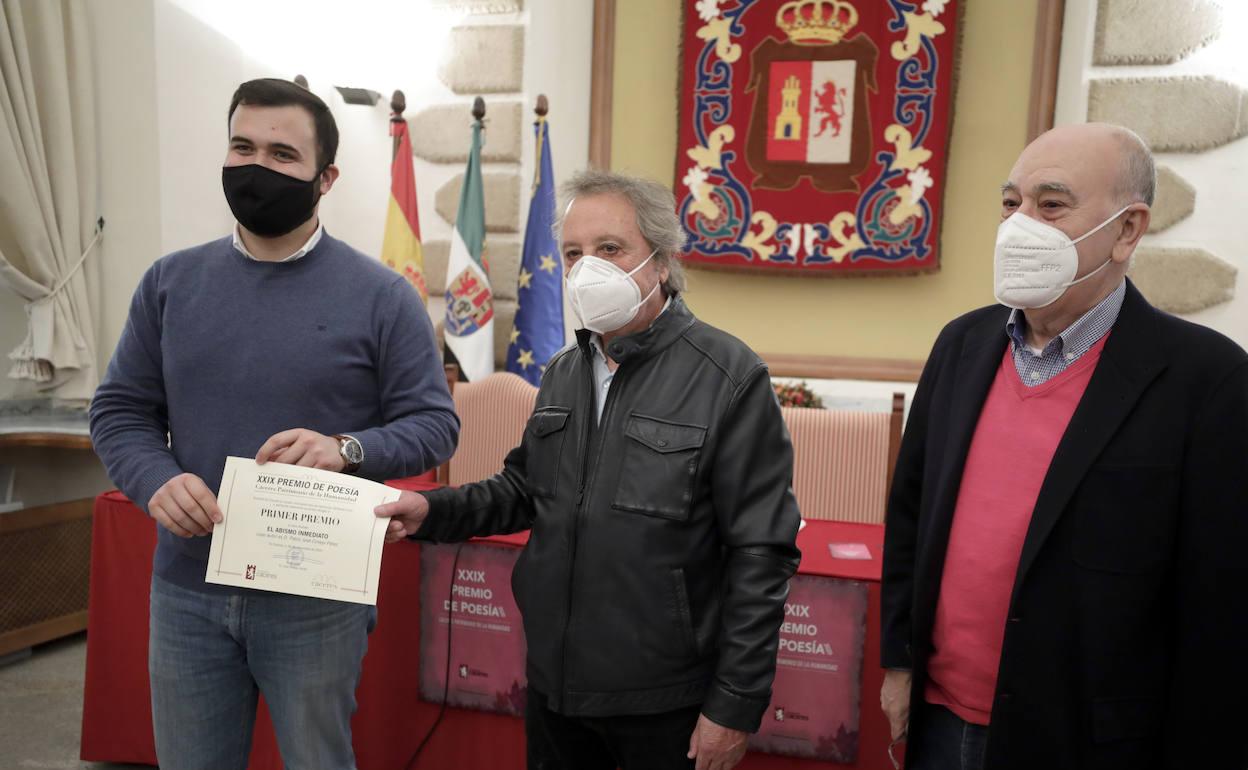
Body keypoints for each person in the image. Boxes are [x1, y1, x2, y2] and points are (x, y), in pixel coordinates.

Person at [89, 78, 459, 770]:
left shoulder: (382, 296)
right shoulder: (170, 283)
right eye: (242, 146)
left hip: (315, 597)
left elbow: (435, 424)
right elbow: (119, 410)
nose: (257, 166)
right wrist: (154, 481)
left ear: (325, 178)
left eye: (282, 154)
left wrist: (347, 447)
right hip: (186, 593)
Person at [377, 170, 802, 770]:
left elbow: (762, 552)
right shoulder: (563, 371)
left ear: (660, 261)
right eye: (573, 253)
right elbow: (525, 488)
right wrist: (432, 510)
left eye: (609, 249)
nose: (586, 269)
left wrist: (734, 705)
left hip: (666, 702)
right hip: (556, 688)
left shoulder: (728, 375)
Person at [879, 122, 1247, 770]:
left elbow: (1217, 613)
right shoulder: (961, 346)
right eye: (1010, 203)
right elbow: (910, 514)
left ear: (1128, 230)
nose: (1020, 224)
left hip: (1088, 743)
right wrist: (900, 662)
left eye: (1050, 205)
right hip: (938, 724)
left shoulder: (1208, 382)